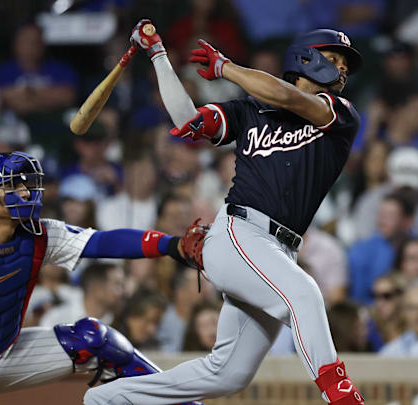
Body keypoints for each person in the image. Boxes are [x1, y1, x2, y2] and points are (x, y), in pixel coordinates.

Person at [84, 20, 366, 405]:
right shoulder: (250, 111)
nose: (343, 69)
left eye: (345, 64)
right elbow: (187, 121)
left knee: (226, 374)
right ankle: (344, 399)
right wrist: (159, 55)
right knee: (304, 294)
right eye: (334, 58)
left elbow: (292, 99)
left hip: (278, 250)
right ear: (306, 58)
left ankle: (108, 400)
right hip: (241, 233)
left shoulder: (339, 113)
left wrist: (226, 69)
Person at [0, 151, 204, 405]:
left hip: (6, 352)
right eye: (10, 186)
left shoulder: (39, 235)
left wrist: (171, 244)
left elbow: (100, 243)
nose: (24, 193)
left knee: (97, 341)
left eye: (25, 185)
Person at [39, 262, 126, 327]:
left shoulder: (122, 324)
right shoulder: (55, 320)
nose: (124, 292)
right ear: (96, 288)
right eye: (117, 284)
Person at [366, 274, 405, 352]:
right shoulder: (367, 330)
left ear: (401, 296)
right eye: (375, 296)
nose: (379, 303)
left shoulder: (413, 329)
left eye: (387, 296)